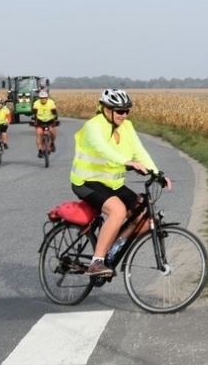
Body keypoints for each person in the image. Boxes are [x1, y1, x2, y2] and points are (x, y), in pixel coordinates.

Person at [70, 88, 171, 278]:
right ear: (106, 109)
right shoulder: (94, 126)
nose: (124, 115)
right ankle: (96, 262)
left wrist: (157, 173)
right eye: (119, 111)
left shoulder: (127, 127)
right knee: (118, 211)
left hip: (111, 184)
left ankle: (113, 250)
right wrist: (125, 162)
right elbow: (103, 149)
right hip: (86, 182)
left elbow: (139, 151)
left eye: (127, 111)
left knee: (143, 215)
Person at [32, 89, 60, 157]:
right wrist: (33, 119)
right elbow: (34, 112)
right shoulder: (36, 103)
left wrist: (56, 119)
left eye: (44, 98)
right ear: (39, 98)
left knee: (52, 131)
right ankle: (40, 150)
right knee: (39, 133)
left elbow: (54, 111)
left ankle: (52, 143)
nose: (43, 99)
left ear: (47, 98)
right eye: (41, 98)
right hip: (40, 120)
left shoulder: (51, 102)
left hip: (50, 120)